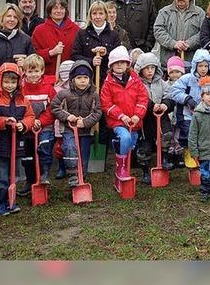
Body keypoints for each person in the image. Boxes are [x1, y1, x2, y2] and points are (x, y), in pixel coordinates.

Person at [0, 63, 35, 216]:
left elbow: (30, 116)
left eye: (13, 82)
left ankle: (11, 201)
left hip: (16, 143)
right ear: (0, 81)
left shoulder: (23, 100)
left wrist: (24, 125)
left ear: (18, 82)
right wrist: (3, 122)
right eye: (6, 82)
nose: (10, 85)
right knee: (0, 175)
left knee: (12, 175)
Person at [100, 46, 149, 181]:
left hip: (134, 120)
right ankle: (121, 167)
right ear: (111, 66)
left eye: (122, 62)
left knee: (131, 144)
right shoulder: (108, 84)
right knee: (125, 138)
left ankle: (124, 163)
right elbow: (106, 104)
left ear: (128, 64)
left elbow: (143, 98)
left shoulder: (136, 81)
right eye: (116, 63)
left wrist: (137, 115)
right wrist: (121, 116)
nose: (119, 65)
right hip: (118, 121)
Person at [51, 60, 102, 187]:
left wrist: (84, 122)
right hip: (69, 129)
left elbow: (97, 113)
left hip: (86, 131)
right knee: (69, 149)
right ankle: (72, 174)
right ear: (72, 79)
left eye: (86, 78)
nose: (83, 81)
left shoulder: (94, 96)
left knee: (84, 155)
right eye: (79, 78)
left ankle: (82, 176)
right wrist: (68, 117)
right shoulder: (64, 94)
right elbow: (55, 108)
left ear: (90, 79)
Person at [134, 52, 174, 184]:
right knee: (145, 145)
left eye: (152, 68)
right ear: (140, 70)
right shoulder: (137, 84)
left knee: (166, 135)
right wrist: (152, 105)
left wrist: (165, 104)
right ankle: (145, 171)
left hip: (161, 115)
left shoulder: (162, 83)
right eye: (146, 68)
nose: (150, 71)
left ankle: (164, 159)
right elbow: (139, 98)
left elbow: (169, 95)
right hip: (145, 118)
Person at [170, 49, 210, 168]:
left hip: (205, 114)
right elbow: (174, 91)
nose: (203, 69)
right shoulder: (187, 78)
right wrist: (187, 99)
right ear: (195, 65)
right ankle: (188, 152)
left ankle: (203, 155)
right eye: (200, 66)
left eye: (206, 66)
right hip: (186, 114)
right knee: (189, 133)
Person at [19, 54, 56, 194]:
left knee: (45, 148)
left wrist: (41, 121)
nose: (33, 74)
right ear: (24, 72)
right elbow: (20, 108)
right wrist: (29, 122)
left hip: (44, 126)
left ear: (42, 71)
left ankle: (45, 174)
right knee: (27, 155)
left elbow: (52, 109)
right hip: (27, 127)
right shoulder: (21, 90)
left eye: (36, 71)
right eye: (30, 71)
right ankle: (30, 180)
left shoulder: (48, 89)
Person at [153, 0, 205, 66]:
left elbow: (203, 33)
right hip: (168, 63)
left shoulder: (200, 13)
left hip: (191, 62)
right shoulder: (164, 12)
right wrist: (173, 43)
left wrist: (189, 43)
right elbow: (158, 31)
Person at [0, 3, 36, 79]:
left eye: (15, 17)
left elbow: (34, 66)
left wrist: (25, 64)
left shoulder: (26, 40)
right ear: (2, 18)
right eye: (8, 16)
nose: (12, 19)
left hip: (19, 85)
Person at [71, 0, 121, 85]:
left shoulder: (114, 35)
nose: (97, 17)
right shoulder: (82, 33)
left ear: (105, 15)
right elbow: (75, 55)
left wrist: (106, 54)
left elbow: (119, 58)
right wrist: (91, 61)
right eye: (94, 14)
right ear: (90, 15)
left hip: (108, 79)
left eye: (101, 13)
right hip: (87, 80)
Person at [32, 0, 81, 77]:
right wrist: (50, 52)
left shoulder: (76, 29)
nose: (58, 11)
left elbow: (80, 53)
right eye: (55, 8)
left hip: (71, 77)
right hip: (48, 77)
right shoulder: (39, 30)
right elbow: (33, 55)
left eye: (61, 8)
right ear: (50, 11)